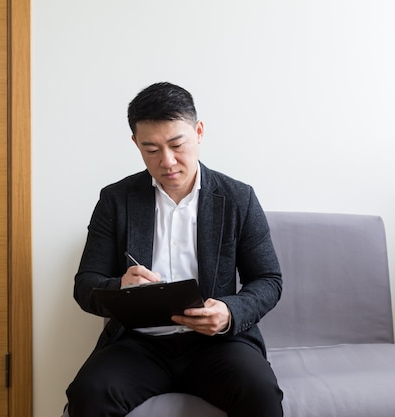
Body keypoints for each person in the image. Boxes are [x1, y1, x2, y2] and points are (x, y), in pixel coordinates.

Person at [66, 82, 284, 417]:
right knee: (89, 392)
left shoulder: (239, 198)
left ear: (198, 132)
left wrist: (228, 312)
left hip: (218, 344)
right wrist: (121, 287)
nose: (167, 162)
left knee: (260, 391)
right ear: (135, 143)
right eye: (151, 150)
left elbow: (268, 280)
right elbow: (85, 285)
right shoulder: (115, 200)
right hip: (138, 344)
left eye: (176, 144)